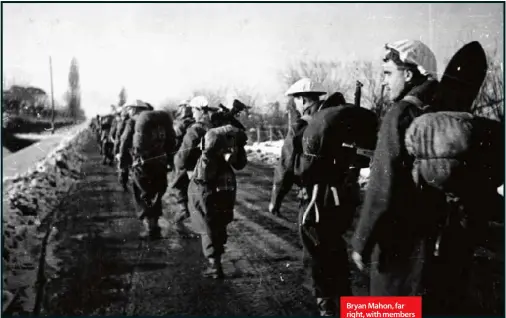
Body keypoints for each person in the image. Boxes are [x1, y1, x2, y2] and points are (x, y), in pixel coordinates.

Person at [351, 40, 444, 301]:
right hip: (439, 238)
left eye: (388, 74)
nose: (384, 82)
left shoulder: (400, 113)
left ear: (408, 74)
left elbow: (382, 186)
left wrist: (361, 240)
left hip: (400, 241)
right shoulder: (443, 109)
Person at [188, 125, 248, 279]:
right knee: (219, 220)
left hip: (208, 184)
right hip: (226, 182)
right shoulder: (231, 138)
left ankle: (214, 265)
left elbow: (203, 169)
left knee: (206, 221)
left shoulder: (212, 140)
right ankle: (217, 260)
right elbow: (239, 163)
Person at [268, 78, 325, 218]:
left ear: (303, 100)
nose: (296, 107)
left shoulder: (300, 126)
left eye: (296, 102)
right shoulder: (333, 121)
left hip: (314, 198)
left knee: (313, 237)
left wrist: (276, 200)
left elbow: (286, 166)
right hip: (344, 196)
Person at [118, 100, 173, 240]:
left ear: (135, 109)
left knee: (142, 193)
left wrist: (123, 164)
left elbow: (124, 142)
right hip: (160, 162)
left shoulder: (133, 123)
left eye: (130, 109)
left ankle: (150, 228)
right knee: (155, 193)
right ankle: (154, 225)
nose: (128, 112)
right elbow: (172, 141)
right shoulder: (160, 122)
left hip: (142, 164)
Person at [169, 96, 219, 238]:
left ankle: (186, 222)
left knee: (186, 196)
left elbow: (182, 154)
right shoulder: (212, 126)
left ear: (199, 110)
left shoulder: (194, 128)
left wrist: (177, 163)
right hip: (208, 169)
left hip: (191, 168)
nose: (191, 112)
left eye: (192, 109)